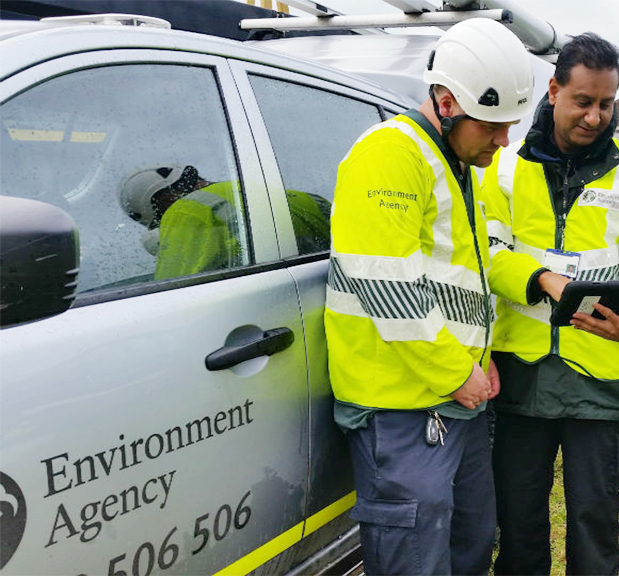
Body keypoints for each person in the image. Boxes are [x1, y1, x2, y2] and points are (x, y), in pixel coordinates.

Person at [323, 18, 534, 576]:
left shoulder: (456, 165)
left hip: (448, 395)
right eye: (492, 126)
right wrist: (456, 372)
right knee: (414, 558)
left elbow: (463, 279)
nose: (503, 140)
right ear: (445, 102)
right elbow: (388, 288)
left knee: (468, 544)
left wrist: (478, 361)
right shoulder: (389, 155)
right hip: (402, 406)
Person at [480, 32, 619, 575]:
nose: (595, 117)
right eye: (583, 101)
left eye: (606, 104)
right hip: (522, 374)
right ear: (553, 91)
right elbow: (487, 255)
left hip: (598, 375)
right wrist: (542, 278)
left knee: (594, 522)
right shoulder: (503, 168)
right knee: (518, 522)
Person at [120, 164, 330, 279]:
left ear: (161, 201)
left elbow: (171, 292)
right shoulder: (288, 196)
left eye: (160, 222)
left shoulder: (188, 210)